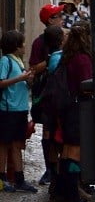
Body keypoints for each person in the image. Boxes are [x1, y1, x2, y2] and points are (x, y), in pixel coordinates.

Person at [51, 22, 93, 202]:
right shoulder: (82, 59)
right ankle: (72, 196)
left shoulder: (68, 57)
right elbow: (86, 86)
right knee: (74, 152)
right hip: (78, 109)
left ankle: (65, 192)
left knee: (67, 151)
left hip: (67, 108)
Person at [0, 30, 38, 192]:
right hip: (8, 109)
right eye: (22, 43)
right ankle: (2, 177)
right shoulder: (5, 61)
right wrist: (20, 78)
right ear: (15, 46)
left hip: (21, 108)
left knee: (17, 144)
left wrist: (28, 79)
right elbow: (1, 82)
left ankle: (19, 177)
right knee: (4, 144)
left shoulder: (18, 61)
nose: (24, 46)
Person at [29, 24, 64, 188]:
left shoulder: (54, 56)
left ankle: (53, 171)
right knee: (53, 135)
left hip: (48, 101)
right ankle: (54, 171)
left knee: (49, 134)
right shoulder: (57, 57)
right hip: (53, 102)